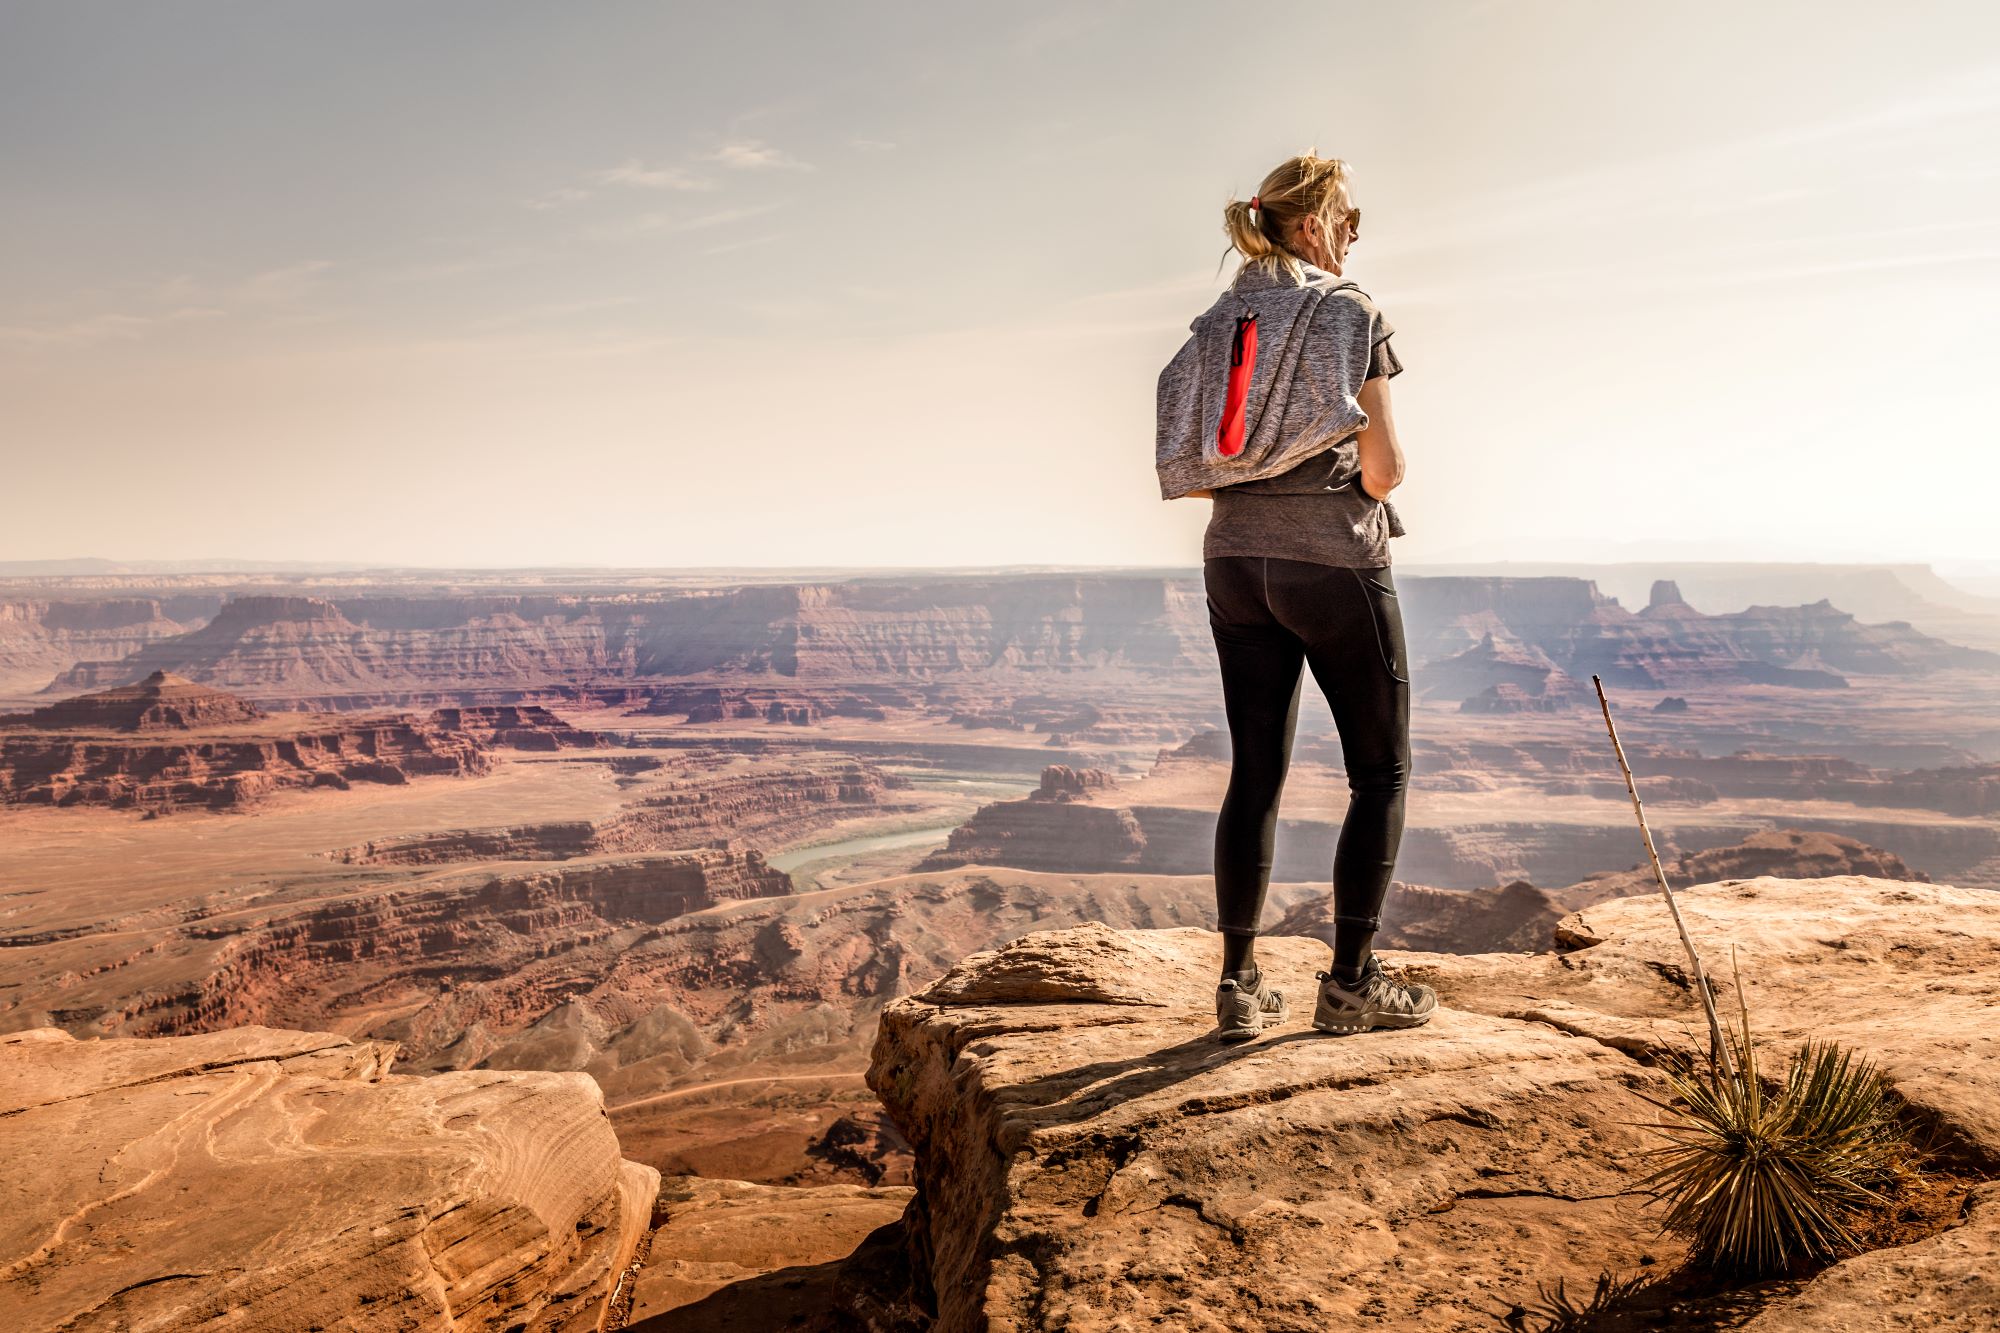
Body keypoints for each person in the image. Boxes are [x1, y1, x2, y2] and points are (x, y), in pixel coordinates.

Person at [1155, 152, 1437, 1042]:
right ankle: (1351, 983)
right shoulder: (1350, 310)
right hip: (1330, 562)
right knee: (1380, 770)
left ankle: (1239, 986)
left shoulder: (1217, 320)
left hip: (1234, 559)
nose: (1358, 234)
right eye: (1351, 218)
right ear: (1313, 224)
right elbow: (1385, 472)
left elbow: (1203, 463)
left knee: (1257, 772)